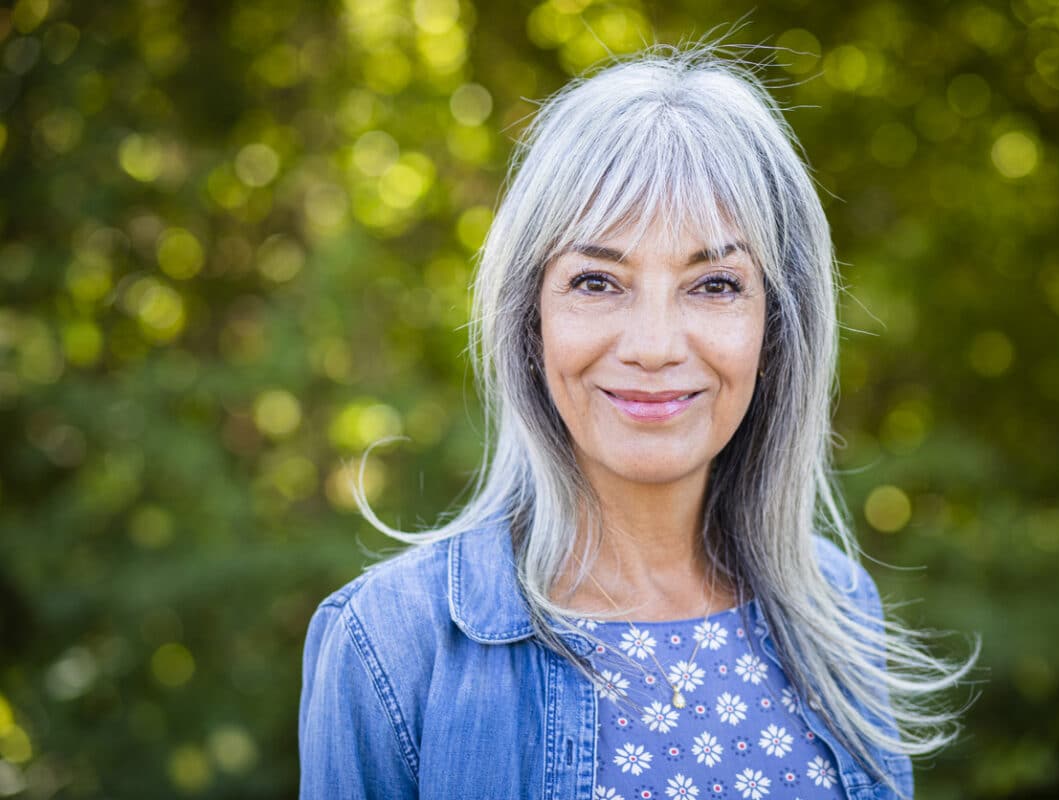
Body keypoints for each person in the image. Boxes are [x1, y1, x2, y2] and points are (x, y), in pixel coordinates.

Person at [298, 44, 976, 800]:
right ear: (531, 320)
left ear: (776, 328)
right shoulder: (392, 641)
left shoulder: (839, 606)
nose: (654, 347)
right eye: (597, 281)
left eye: (714, 284)